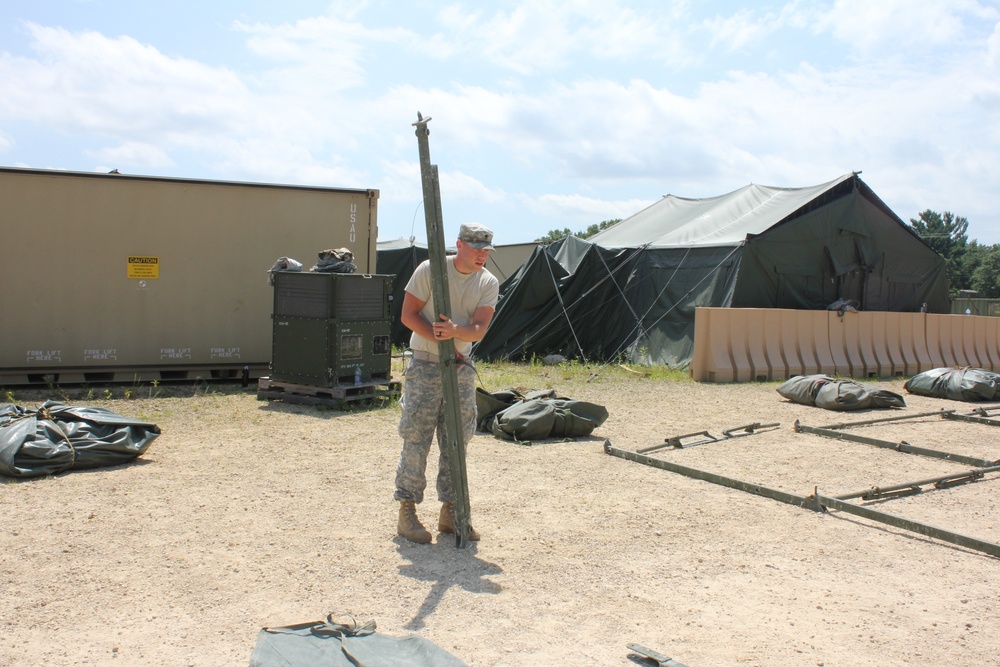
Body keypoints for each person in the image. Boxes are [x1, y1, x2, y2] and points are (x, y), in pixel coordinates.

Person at [394, 222, 500, 544]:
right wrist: (443, 341)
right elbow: (408, 315)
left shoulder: (488, 281)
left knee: (457, 440)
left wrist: (456, 333)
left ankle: (451, 512)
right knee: (416, 437)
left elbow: (479, 328)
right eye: (477, 248)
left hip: (460, 369)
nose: (482, 255)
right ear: (459, 245)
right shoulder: (430, 270)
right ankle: (407, 510)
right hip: (426, 365)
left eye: (487, 250)